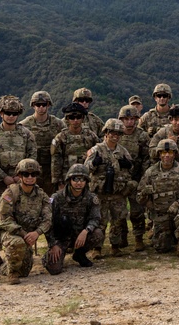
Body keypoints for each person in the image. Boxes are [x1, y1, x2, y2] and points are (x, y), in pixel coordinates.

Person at [0, 95, 37, 272]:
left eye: (14, 113)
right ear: (1, 113)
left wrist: (21, 177)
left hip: (21, 183)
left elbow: (32, 157)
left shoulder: (26, 134)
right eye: (7, 112)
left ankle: (18, 250)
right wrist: (3, 176)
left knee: (20, 217)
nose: (11, 116)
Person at [85, 119, 137, 257]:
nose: (116, 136)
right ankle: (97, 248)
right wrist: (95, 163)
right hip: (100, 193)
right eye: (113, 133)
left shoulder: (123, 151)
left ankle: (115, 245)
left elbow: (131, 169)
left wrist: (127, 165)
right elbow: (85, 168)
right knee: (100, 221)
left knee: (118, 220)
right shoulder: (97, 150)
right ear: (106, 133)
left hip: (117, 193)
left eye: (119, 133)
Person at [136, 139, 179, 258]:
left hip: (178, 211)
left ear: (175, 154)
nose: (167, 156)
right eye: (164, 153)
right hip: (160, 214)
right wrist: (145, 194)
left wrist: (178, 203)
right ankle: (163, 232)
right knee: (161, 247)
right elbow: (139, 197)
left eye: (170, 153)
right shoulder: (150, 172)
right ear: (159, 154)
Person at [0, 158, 52, 285]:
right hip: (12, 233)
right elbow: (3, 220)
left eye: (34, 174)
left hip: (30, 236)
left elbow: (48, 218)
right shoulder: (11, 193)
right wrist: (22, 233)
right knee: (18, 243)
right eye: (26, 174)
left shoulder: (41, 195)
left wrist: (37, 233)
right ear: (19, 175)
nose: (30, 177)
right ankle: (11, 272)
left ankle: (6, 265)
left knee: (25, 270)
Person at [44, 164, 103, 274]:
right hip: (61, 239)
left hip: (80, 237)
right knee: (54, 269)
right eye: (75, 179)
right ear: (69, 180)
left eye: (82, 179)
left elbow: (95, 218)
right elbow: (47, 223)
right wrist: (53, 244)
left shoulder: (91, 198)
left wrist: (86, 231)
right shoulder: (57, 198)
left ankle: (79, 254)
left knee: (97, 233)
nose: (79, 182)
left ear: (86, 181)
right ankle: (50, 256)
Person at [117, 104, 150, 251]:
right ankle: (121, 238)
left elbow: (146, 158)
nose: (129, 122)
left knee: (137, 210)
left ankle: (138, 238)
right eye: (126, 119)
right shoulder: (116, 134)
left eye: (132, 119)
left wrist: (142, 178)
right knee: (119, 211)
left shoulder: (142, 135)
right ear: (121, 120)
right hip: (119, 180)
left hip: (136, 178)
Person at [19, 91, 65, 196]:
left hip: (52, 170)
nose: (41, 107)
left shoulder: (57, 123)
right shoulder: (25, 125)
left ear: (48, 105)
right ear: (33, 106)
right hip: (32, 171)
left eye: (43, 104)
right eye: (37, 105)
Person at [50, 103, 99, 191]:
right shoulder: (61, 137)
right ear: (67, 119)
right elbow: (56, 160)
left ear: (83, 118)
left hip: (86, 178)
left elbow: (98, 154)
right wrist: (58, 181)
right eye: (72, 118)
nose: (75, 120)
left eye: (78, 117)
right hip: (66, 178)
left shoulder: (91, 136)